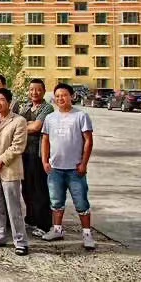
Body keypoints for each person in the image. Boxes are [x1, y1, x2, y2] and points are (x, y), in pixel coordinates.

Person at [41, 83, 95, 250]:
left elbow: (88, 141)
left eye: (64, 95)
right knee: (56, 201)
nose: (60, 98)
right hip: (55, 169)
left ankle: (87, 234)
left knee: (81, 202)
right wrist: (45, 161)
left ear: (72, 96)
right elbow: (45, 140)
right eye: (57, 96)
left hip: (75, 169)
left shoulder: (81, 116)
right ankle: (57, 230)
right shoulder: (50, 118)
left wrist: (84, 163)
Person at [0, 88, 29, 256]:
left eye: (1, 100)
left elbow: (18, 146)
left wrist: (0, 161)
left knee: (13, 207)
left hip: (9, 169)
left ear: (9, 102)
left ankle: (20, 241)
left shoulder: (19, 121)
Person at [18, 79, 54, 238]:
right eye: (31, 89)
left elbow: (37, 127)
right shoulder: (25, 106)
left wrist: (23, 126)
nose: (34, 92)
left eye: (38, 89)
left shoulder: (47, 108)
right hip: (23, 153)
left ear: (44, 91)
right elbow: (15, 124)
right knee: (26, 188)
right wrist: (27, 125)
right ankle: (31, 218)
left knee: (40, 189)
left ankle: (44, 224)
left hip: (39, 154)